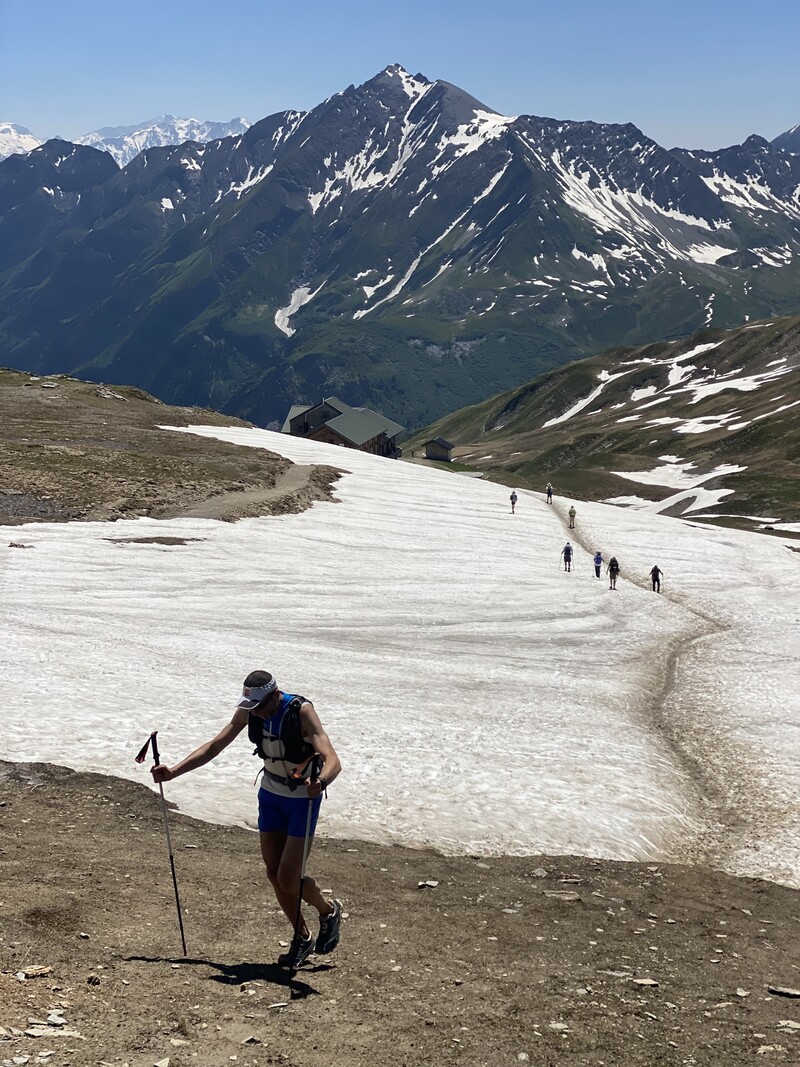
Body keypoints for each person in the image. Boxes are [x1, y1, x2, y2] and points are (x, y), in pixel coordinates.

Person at [150, 670, 343, 969]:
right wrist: (174, 771)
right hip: (270, 795)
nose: (258, 713)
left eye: (262, 706)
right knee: (273, 873)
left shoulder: (301, 711)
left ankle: (328, 911)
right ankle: (301, 937)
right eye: (253, 707)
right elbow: (215, 745)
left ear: (276, 695)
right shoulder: (250, 710)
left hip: (302, 800)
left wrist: (323, 781)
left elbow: (332, 758)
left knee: (288, 878)